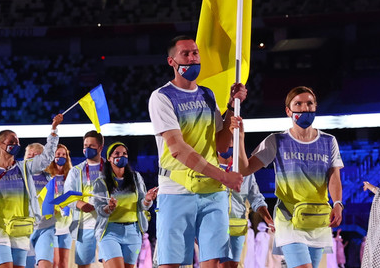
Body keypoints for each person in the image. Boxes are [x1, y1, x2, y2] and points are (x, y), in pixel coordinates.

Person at [147, 36, 246, 268]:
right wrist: (224, 176)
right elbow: (178, 150)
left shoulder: (208, 95)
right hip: (176, 191)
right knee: (171, 264)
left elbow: (221, 146)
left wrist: (232, 107)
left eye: (195, 53)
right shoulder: (161, 97)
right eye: (186, 54)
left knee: (212, 263)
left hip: (211, 192)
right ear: (171, 61)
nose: (192, 58)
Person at [237, 86, 344, 268]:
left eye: (309, 103)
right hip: (289, 220)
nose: (304, 108)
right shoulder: (276, 141)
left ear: (315, 107)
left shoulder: (329, 141)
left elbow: (334, 176)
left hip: (318, 219)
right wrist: (240, 138)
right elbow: (244, 169)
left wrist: (338, 203)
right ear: (288, 110)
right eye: (298, 104)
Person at [0, 113, 64, 268]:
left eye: (17, 141)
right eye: (12, 141)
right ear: (0, 144)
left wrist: (54, 129)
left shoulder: (25, 168)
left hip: (21, 228)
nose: (16, 144)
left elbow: (48, 156)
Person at [90, 142, 157, 268]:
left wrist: (147, 199)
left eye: (124, 154)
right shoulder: (100, 182)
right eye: (117, 154)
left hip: (133, 232)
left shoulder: (136, 177)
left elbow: (143, 206)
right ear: (109, 158)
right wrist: (108, 207)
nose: (121, 156)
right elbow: (99, 210)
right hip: (110, 232)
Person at [216, 148, 268, 268]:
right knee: (219, 263)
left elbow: (255, 197)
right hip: (216, 225)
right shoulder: (210, 167)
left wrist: (266, 216)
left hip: (238, 226)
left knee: (236, 264)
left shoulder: (244, 170)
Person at [64, 132, 104, 268]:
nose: (87, 149)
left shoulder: (110, 168)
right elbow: (67, 196)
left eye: (92, 146)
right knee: (83, 265)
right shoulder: (76, 171)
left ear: (100, 148)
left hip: (108, 225)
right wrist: (79, 204)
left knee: (111, 263)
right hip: (84, 226)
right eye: (85, 145)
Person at [37, 145, 74, 268]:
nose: (61, 157)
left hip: (67, 225)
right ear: (53, 157)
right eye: (58, 154)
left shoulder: (71, 176)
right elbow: (41, 197)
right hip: (51, 225)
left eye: (63, 155)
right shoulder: (47, 176)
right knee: (54, 262)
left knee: (64, 263)